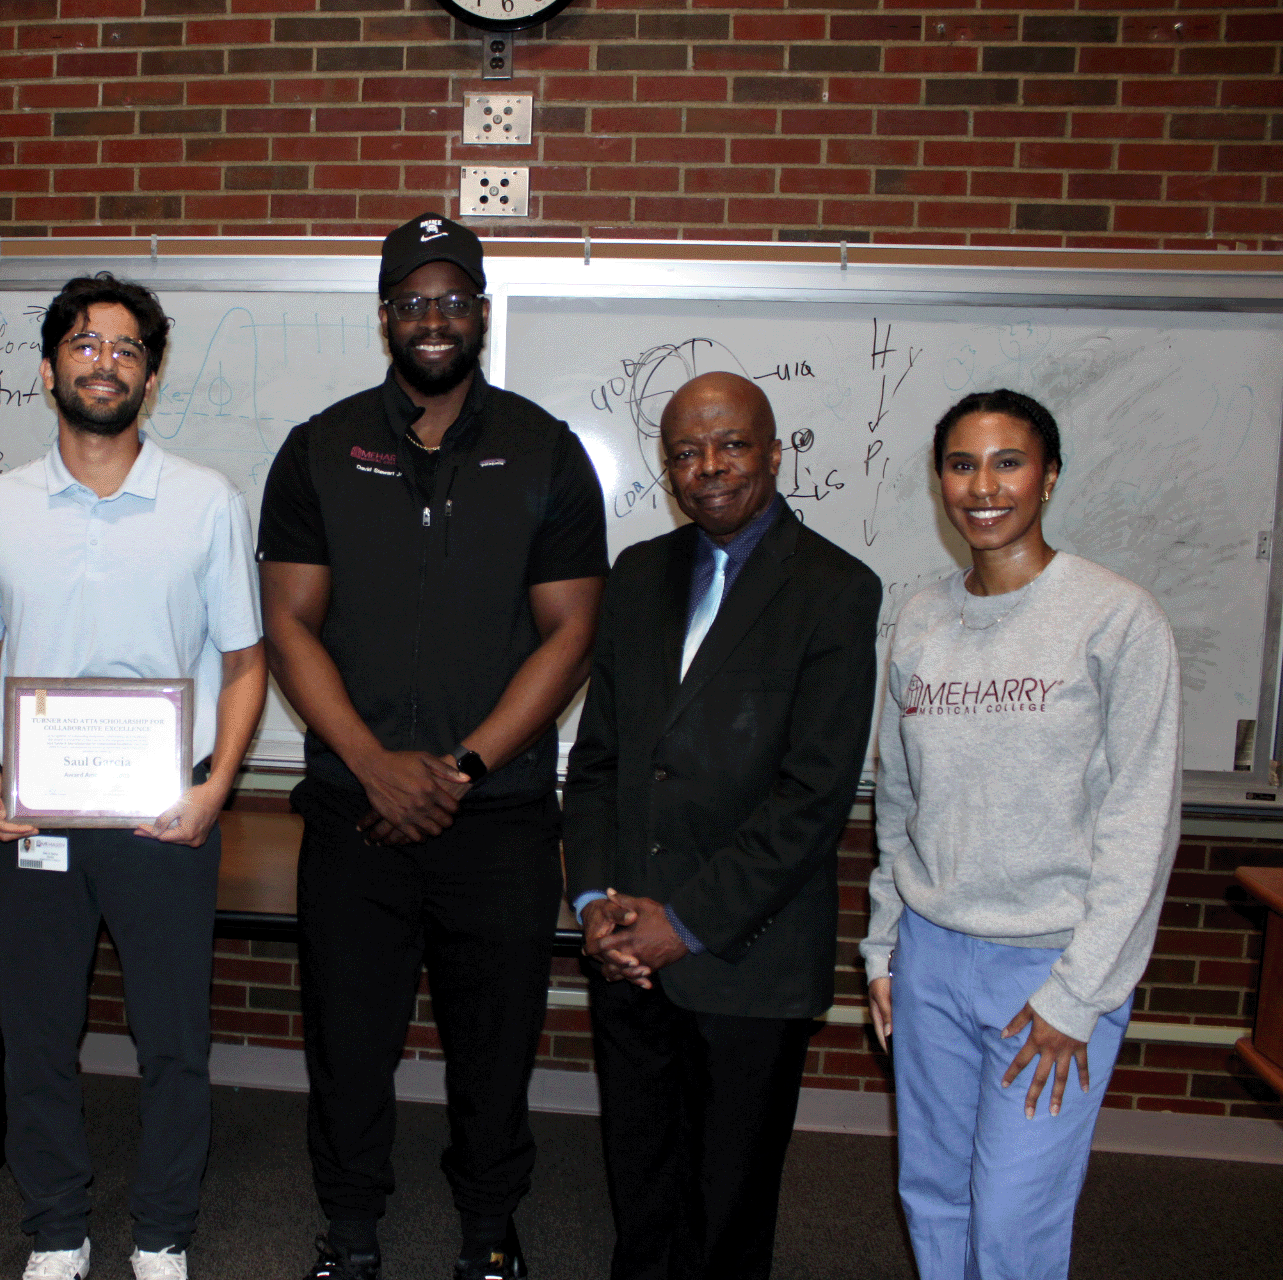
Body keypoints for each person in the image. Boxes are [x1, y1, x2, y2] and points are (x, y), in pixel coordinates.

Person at [259, 212, 608, 1280]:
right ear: (384, 317)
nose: (434, 317)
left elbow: (571, 632)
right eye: (413, 299)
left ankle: (488, 1231)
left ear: (482, 313)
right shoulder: (319, 446)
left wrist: (459, 770)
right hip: (352, 810)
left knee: (495, 1049)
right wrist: (373, 761)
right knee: (348, 1043)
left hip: (494, 815)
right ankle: (351, 1228)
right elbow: (289, 626)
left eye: (454, 298)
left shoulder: (543, 447)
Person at [0, 272, 266, 1280]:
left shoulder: (207, 501)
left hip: (166, 812)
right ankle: (58, 1227)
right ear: (48, 370)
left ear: (151, 379)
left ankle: (162, 1230)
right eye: (84, 344)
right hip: (35, 814)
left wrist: (216, 789)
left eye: (126, 349)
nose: (104, 362)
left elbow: (248, 663)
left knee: (173, 1038)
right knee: (37, 1035)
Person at [564, 371, 882, 1280]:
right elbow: (599, 763)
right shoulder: (637, 575)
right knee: (643, 1190)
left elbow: (811, 799)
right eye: (686, 452)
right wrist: (595, 902)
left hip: (748, 953)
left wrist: (684, 923)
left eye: (732, 445)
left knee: (727, 1208)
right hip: (626, 950)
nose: (709, 468)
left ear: (774, 453)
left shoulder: (834, 590)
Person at [861, 390, 1181, 1280]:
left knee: (1013, 1221)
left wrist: (1077, 997)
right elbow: (900, 803)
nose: (984, 486)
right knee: (933, 1194)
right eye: (962, 464)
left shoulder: (1117, 619)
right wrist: (885, 954)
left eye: (1009, 462)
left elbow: (1142, 825)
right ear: (940, 483)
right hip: (930, 958)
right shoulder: (921, 617)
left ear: (1049, 477)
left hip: (1048, 970)